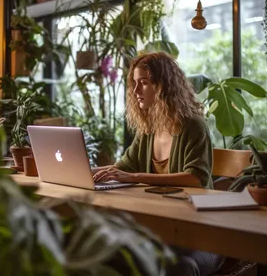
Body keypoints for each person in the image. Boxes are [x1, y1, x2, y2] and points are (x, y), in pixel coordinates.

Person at [93, 52, 224, 276]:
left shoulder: (193, 126)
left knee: (177, 265)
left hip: (203, 232)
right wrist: (81, 171)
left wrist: (135, 178)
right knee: (115, 251)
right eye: (134, 84)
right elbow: (121, 168)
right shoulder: (148, 130)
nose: (136, 91)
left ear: (164, 86)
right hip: (167, 227)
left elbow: (195, 177)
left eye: (143, 83)